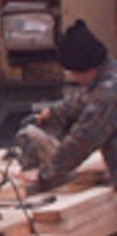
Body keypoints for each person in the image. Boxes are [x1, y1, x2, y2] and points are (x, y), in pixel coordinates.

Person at [18, 19, 117, 192]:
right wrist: (53, 112)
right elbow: (83, 100)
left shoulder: (106, 95)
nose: (73, 77)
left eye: (71, 72)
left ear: (83, 68)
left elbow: (83, 140)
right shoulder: (109, 74)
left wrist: (45, 174)